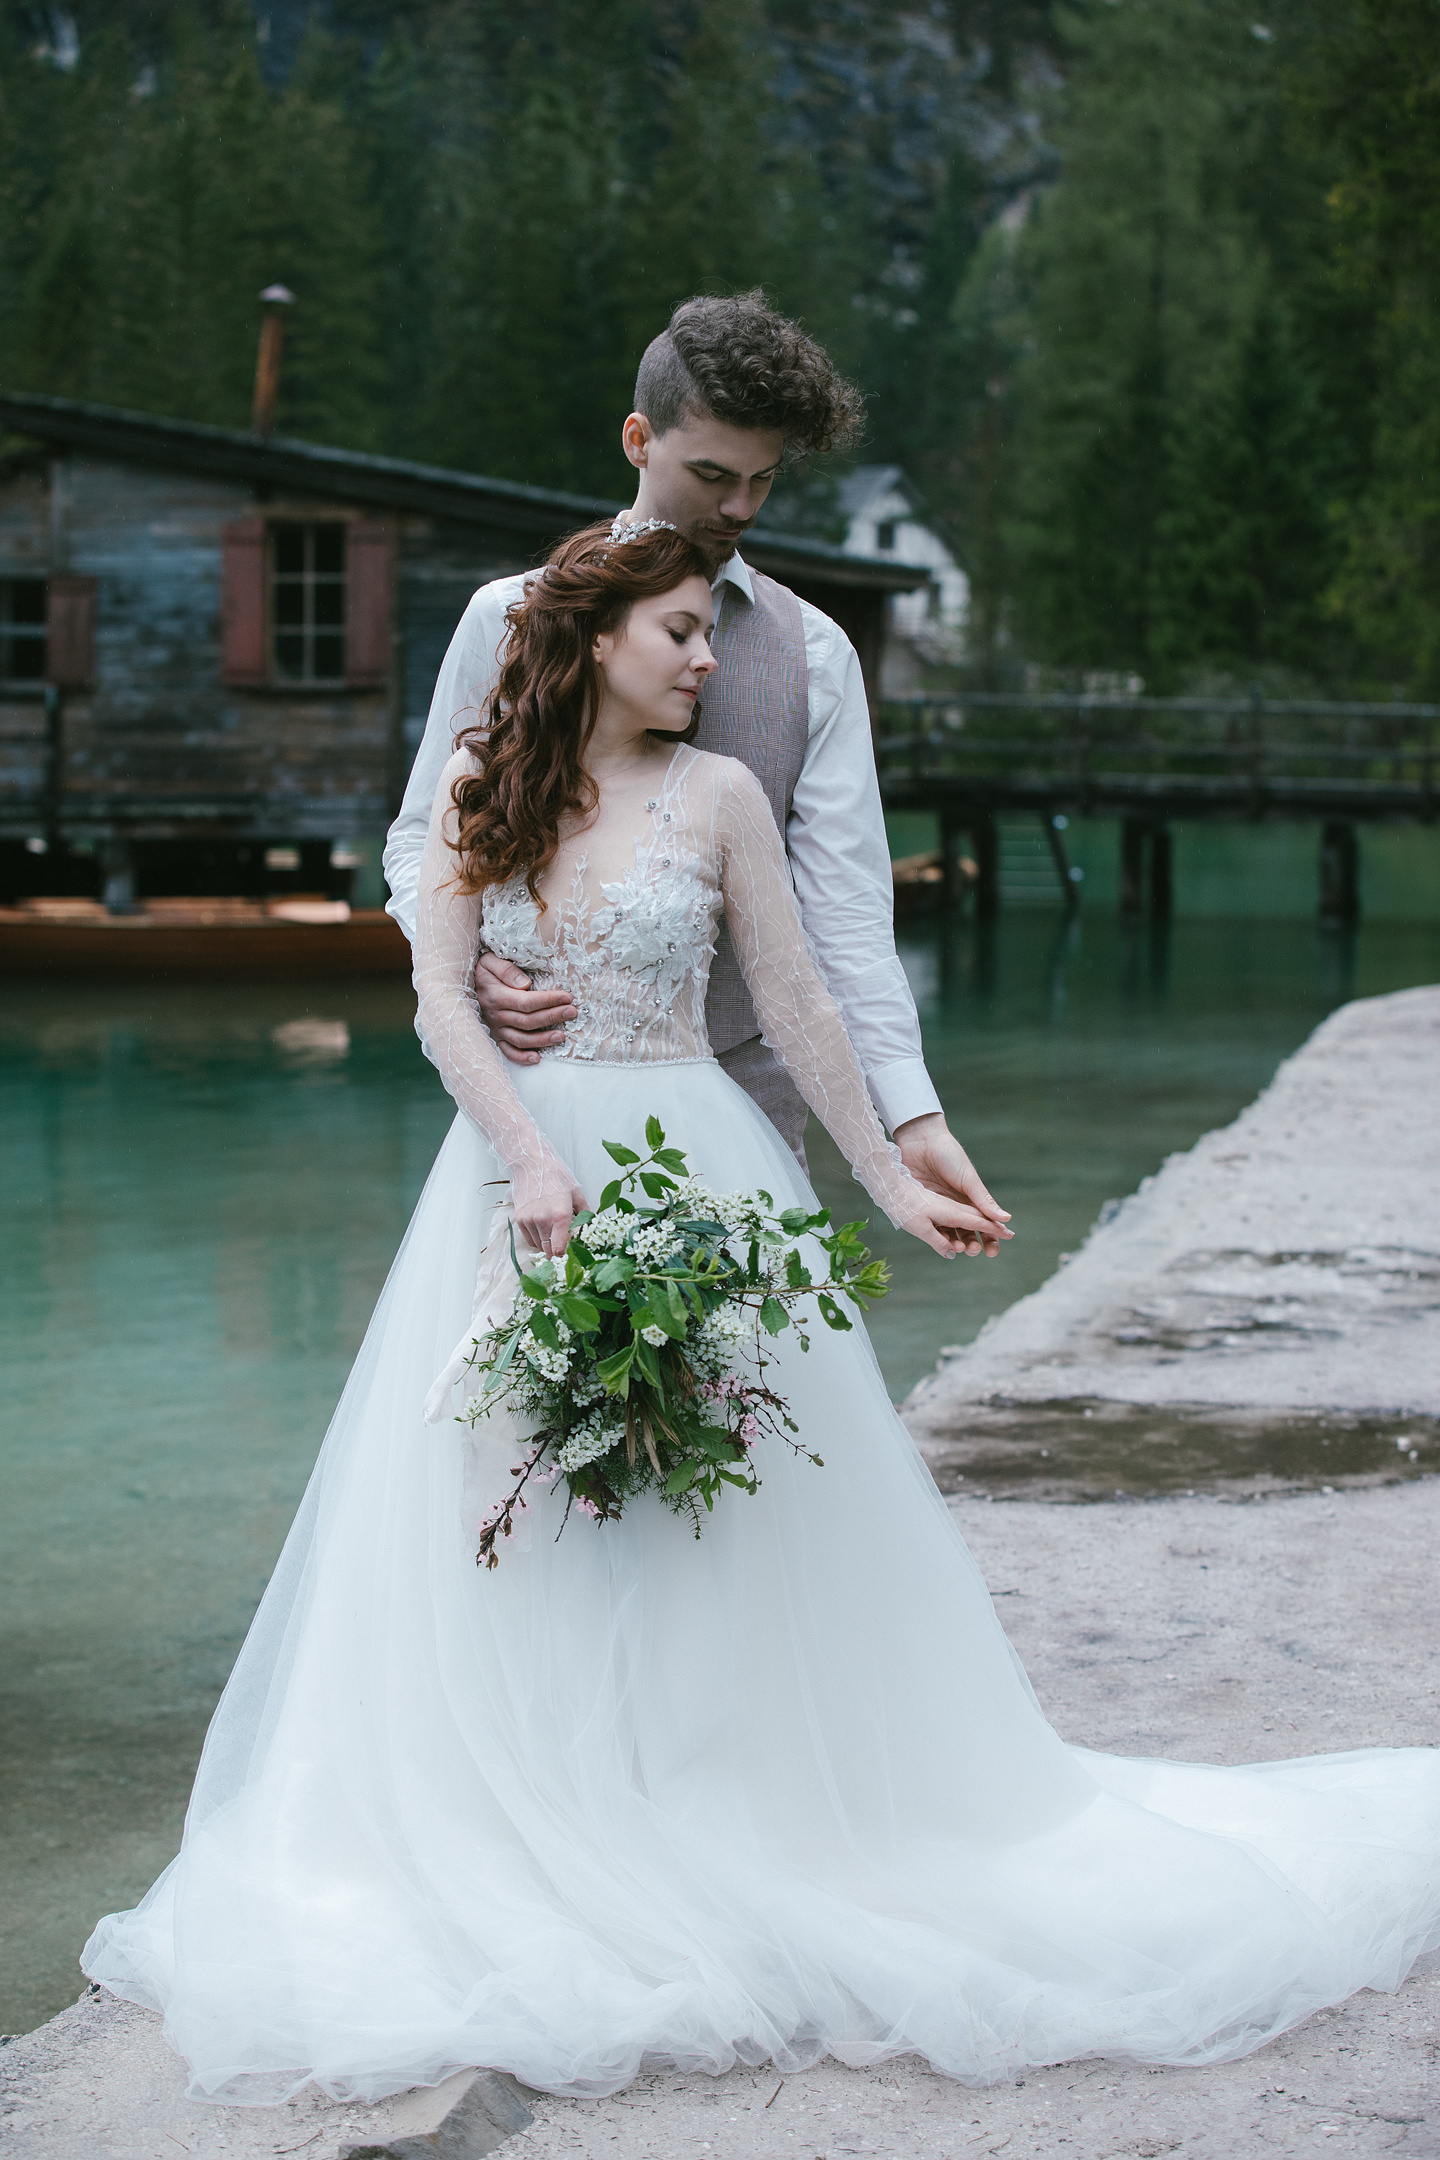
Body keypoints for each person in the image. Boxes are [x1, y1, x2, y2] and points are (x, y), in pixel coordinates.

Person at [83, 522, 1439, 2108]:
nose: (705, 659)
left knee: (724, 1495)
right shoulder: (478, 788)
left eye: (710, 636)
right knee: (509, 1510)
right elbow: (443, 998)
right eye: (676, 633)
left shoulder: (719, 797)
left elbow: (794, 999)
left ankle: (731, 1806)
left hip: (698, 1163)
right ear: (596, 642)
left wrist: (889, 1171)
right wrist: (525, 1158)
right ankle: (552, 1814)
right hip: (515, 1185)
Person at [383, 289, 1009, 1253]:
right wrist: (468, 967)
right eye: (713, 473)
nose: (738, 508)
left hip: (753, 1104)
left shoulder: (817, 652)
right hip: (537, 1100)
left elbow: (844, 915)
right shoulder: (506, 619)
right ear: (638, 438)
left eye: (764, 481)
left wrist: (910, 1117)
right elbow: (423, 827)